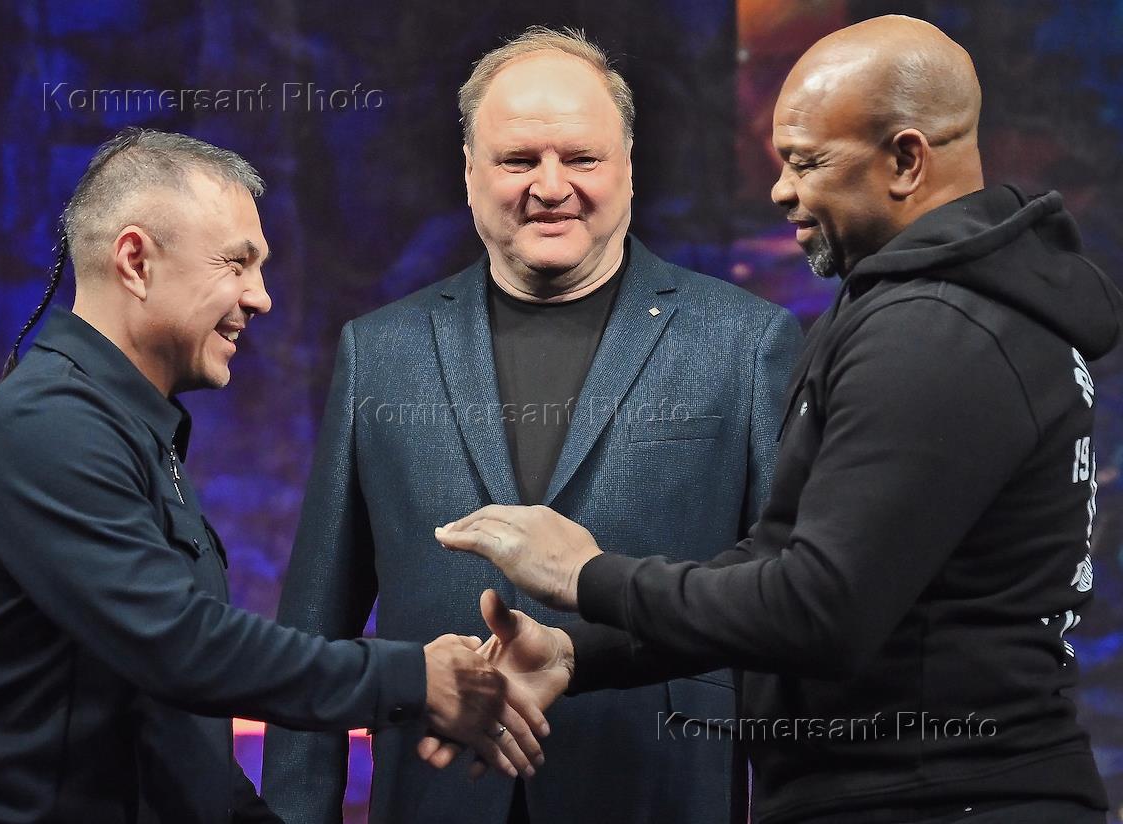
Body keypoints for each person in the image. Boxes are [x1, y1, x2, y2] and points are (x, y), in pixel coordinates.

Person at [434, 15, 1122, 824]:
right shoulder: (919, 311)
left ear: (906, 160)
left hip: (942, 801)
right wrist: (578, 654)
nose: (781, 191)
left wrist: (586, 577)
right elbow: (779, 560)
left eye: (806, 162)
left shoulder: (934, 332)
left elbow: (818, 609)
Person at [0, 129, 545, 824]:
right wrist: (415, 679)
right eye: (238, 263)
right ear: (135, 262)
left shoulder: (125, 432)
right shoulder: (48, 428)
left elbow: (173, 741)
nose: (262, 297)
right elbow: (183, 647)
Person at [261, 26, 801, 824]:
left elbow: (781, 608)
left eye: (581, 158)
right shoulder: (380, 351)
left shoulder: (745, 343)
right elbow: (317, 629)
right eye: (519, 160)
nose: (551, 186)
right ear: (469, 171)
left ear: (627, 165)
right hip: (437, 799)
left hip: (658, 794)